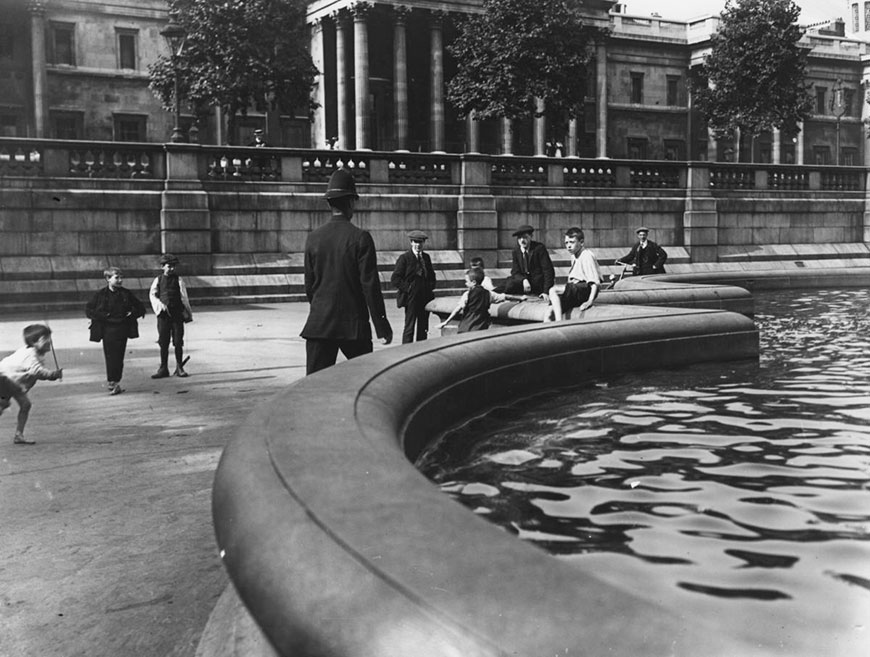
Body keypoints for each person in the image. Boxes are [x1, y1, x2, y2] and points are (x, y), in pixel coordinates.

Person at [301, 168, 393, 374]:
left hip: (319, 326)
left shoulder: (313, 238)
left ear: (329, 203)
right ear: (351, 202)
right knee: (363, 384)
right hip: (354, 328)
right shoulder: (360, 238)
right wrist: (382, 325)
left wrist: (321, 309)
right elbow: (370, 286)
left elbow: (310, 285)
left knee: (314, 390)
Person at [86, 267, 146, 395]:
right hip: (107, 330)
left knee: (119, 356)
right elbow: (89, 310)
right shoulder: (101, 294)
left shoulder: (126, 293)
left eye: (121, 277)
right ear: (108, 279)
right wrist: (104, 316)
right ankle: (112, 381)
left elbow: (140, 307)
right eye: (116, 277)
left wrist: (132, 314)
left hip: (122, 329)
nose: (120, 280)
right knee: (110, 355)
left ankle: (115, 381)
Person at [0, 325, 63, 444]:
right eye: (45, 338)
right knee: (6, 404)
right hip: (5, 378)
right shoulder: (31, 355)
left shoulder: (31, 352)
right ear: (34, 342)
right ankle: (19, 434)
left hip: (11, 381)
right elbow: (37, 371)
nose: (50, 341)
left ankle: (19, 435)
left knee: (24, 404)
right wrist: (52, 375)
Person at [149, 254, 194, 379]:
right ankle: (163, 368)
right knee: (163, 341)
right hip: (163, 316)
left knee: (178, 341)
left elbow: (184, 297)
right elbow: (153, 295)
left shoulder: (179, 280)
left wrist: (187, 313)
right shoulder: (158, 280)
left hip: (177, 315)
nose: (172, 269)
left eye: (174, 266)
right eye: (169, 266)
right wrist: (159, 305)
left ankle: (179, 367)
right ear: (163, 267)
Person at [391, 230, 437, 344]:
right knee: (409, 326)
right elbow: (395, 279)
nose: (418, 245)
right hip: (411, 298)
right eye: (415, 242)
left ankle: (420, 350)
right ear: (411, 242)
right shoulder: (405, 258)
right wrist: (409, 288)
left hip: (424, 297)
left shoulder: (426, 258)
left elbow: (431, 275)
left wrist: (430, 286)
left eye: (420, 242)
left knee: (423, 327)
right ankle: (406, 351)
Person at [548, 227, 602, 322]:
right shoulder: (574, 256)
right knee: (549, 313)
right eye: (566, 243)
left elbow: (595, 283)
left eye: (572, 242)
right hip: (575, 290)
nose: (568, 246)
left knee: (553, 290)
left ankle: (558, 322)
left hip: (584, 289)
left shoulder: (586, 255)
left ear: (581, 243)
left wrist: (589, 301)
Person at [497, 224, 555, 298]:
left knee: (510, 284)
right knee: (509, 282)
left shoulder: (539, 248)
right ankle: (490, 293)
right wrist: (524, 280)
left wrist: (546, 292)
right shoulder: (516, 251)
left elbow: (548, 271)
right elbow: (515, 272)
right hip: (524, 283)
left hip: (537, 284)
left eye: (525, 237)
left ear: (531, 237)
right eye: (519, 238)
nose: (522, 240)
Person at [436, 268, 492, 333]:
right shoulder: (489, 293)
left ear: (473, 282)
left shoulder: (467, 294)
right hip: (481, 327)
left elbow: (457, 309)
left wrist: (446, 322)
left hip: (467, 327)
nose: (465, 283)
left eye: (467, 281)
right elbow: (502, 297)